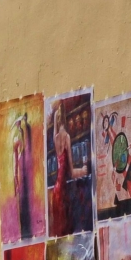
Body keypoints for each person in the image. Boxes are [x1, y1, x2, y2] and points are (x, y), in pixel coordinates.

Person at [51, 101, 87, 237]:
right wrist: (83, 170)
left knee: (59, 235)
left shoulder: (55, 138)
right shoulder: (66, 137)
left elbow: (55, 130)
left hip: (56, 191)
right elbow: (72, 173)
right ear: (66, 119)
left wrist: (55, 117)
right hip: (64, 192)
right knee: (67, 234)